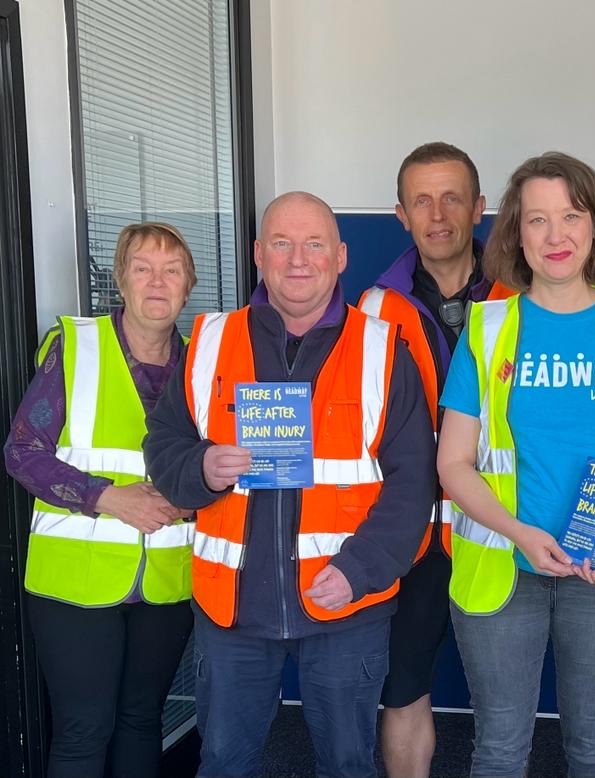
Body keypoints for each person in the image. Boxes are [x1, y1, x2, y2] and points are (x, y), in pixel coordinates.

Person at [144, 191, 435, 778]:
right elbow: (164, 445)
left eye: (314, 244)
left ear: (341, 255)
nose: (298, 259)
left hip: (346, 605)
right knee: (224, 762)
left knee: (349, 763)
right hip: (233, 612)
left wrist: (360, 569)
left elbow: (415, 482)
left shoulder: (383, 349)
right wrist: (200, 468)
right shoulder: (210, 343)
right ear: (258, 254)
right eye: (281, 243)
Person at [437, 151, 595, 778]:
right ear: (517, 234)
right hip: (503, 567)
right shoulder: (487, 330)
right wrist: (522, 533)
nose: (556, 235)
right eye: (537, 220)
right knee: (498, 748)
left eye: (570, 215)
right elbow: (454, 463)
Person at [4, 223, 197, 778]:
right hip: (75, 582)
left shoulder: (202, 362)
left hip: (166, 579)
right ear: (120, 278)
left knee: (142, 719)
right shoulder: (75, 347)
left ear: (188, 284)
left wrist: (195, 499)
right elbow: (21, 452)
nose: (157, 282)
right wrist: (108, 498)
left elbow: (219, 465)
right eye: (143, 267)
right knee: (85, 728)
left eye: (172, 270)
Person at [358, 142, 512, 778]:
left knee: (506, 704)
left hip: (501, 528)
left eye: (453, 197)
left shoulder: (525, 300)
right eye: (423, 200)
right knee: (404, 689)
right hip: (411, 536)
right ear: (401, 213)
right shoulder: (371, 309)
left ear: (480, 208)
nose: (439, 214)